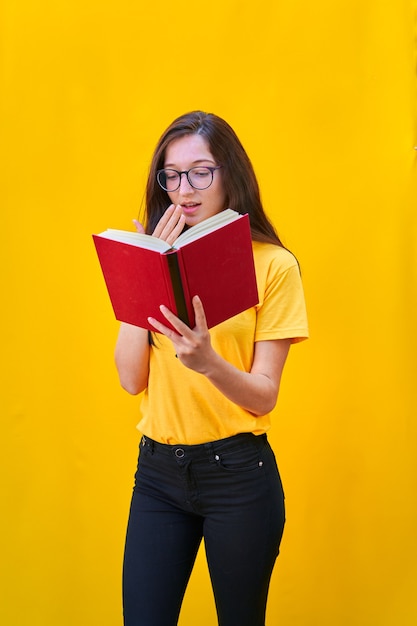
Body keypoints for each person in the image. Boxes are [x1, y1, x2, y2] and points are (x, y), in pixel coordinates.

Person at [115, 111, 309, 626]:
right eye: (172, 175)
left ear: (230, 174)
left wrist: (208, 363)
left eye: (201, 171)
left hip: (239, 476)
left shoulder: (273, 265)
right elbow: (131, 379)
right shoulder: (157, 256)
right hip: (158, 473)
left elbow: (264, 395)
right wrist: (145, 269)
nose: (185, 189)